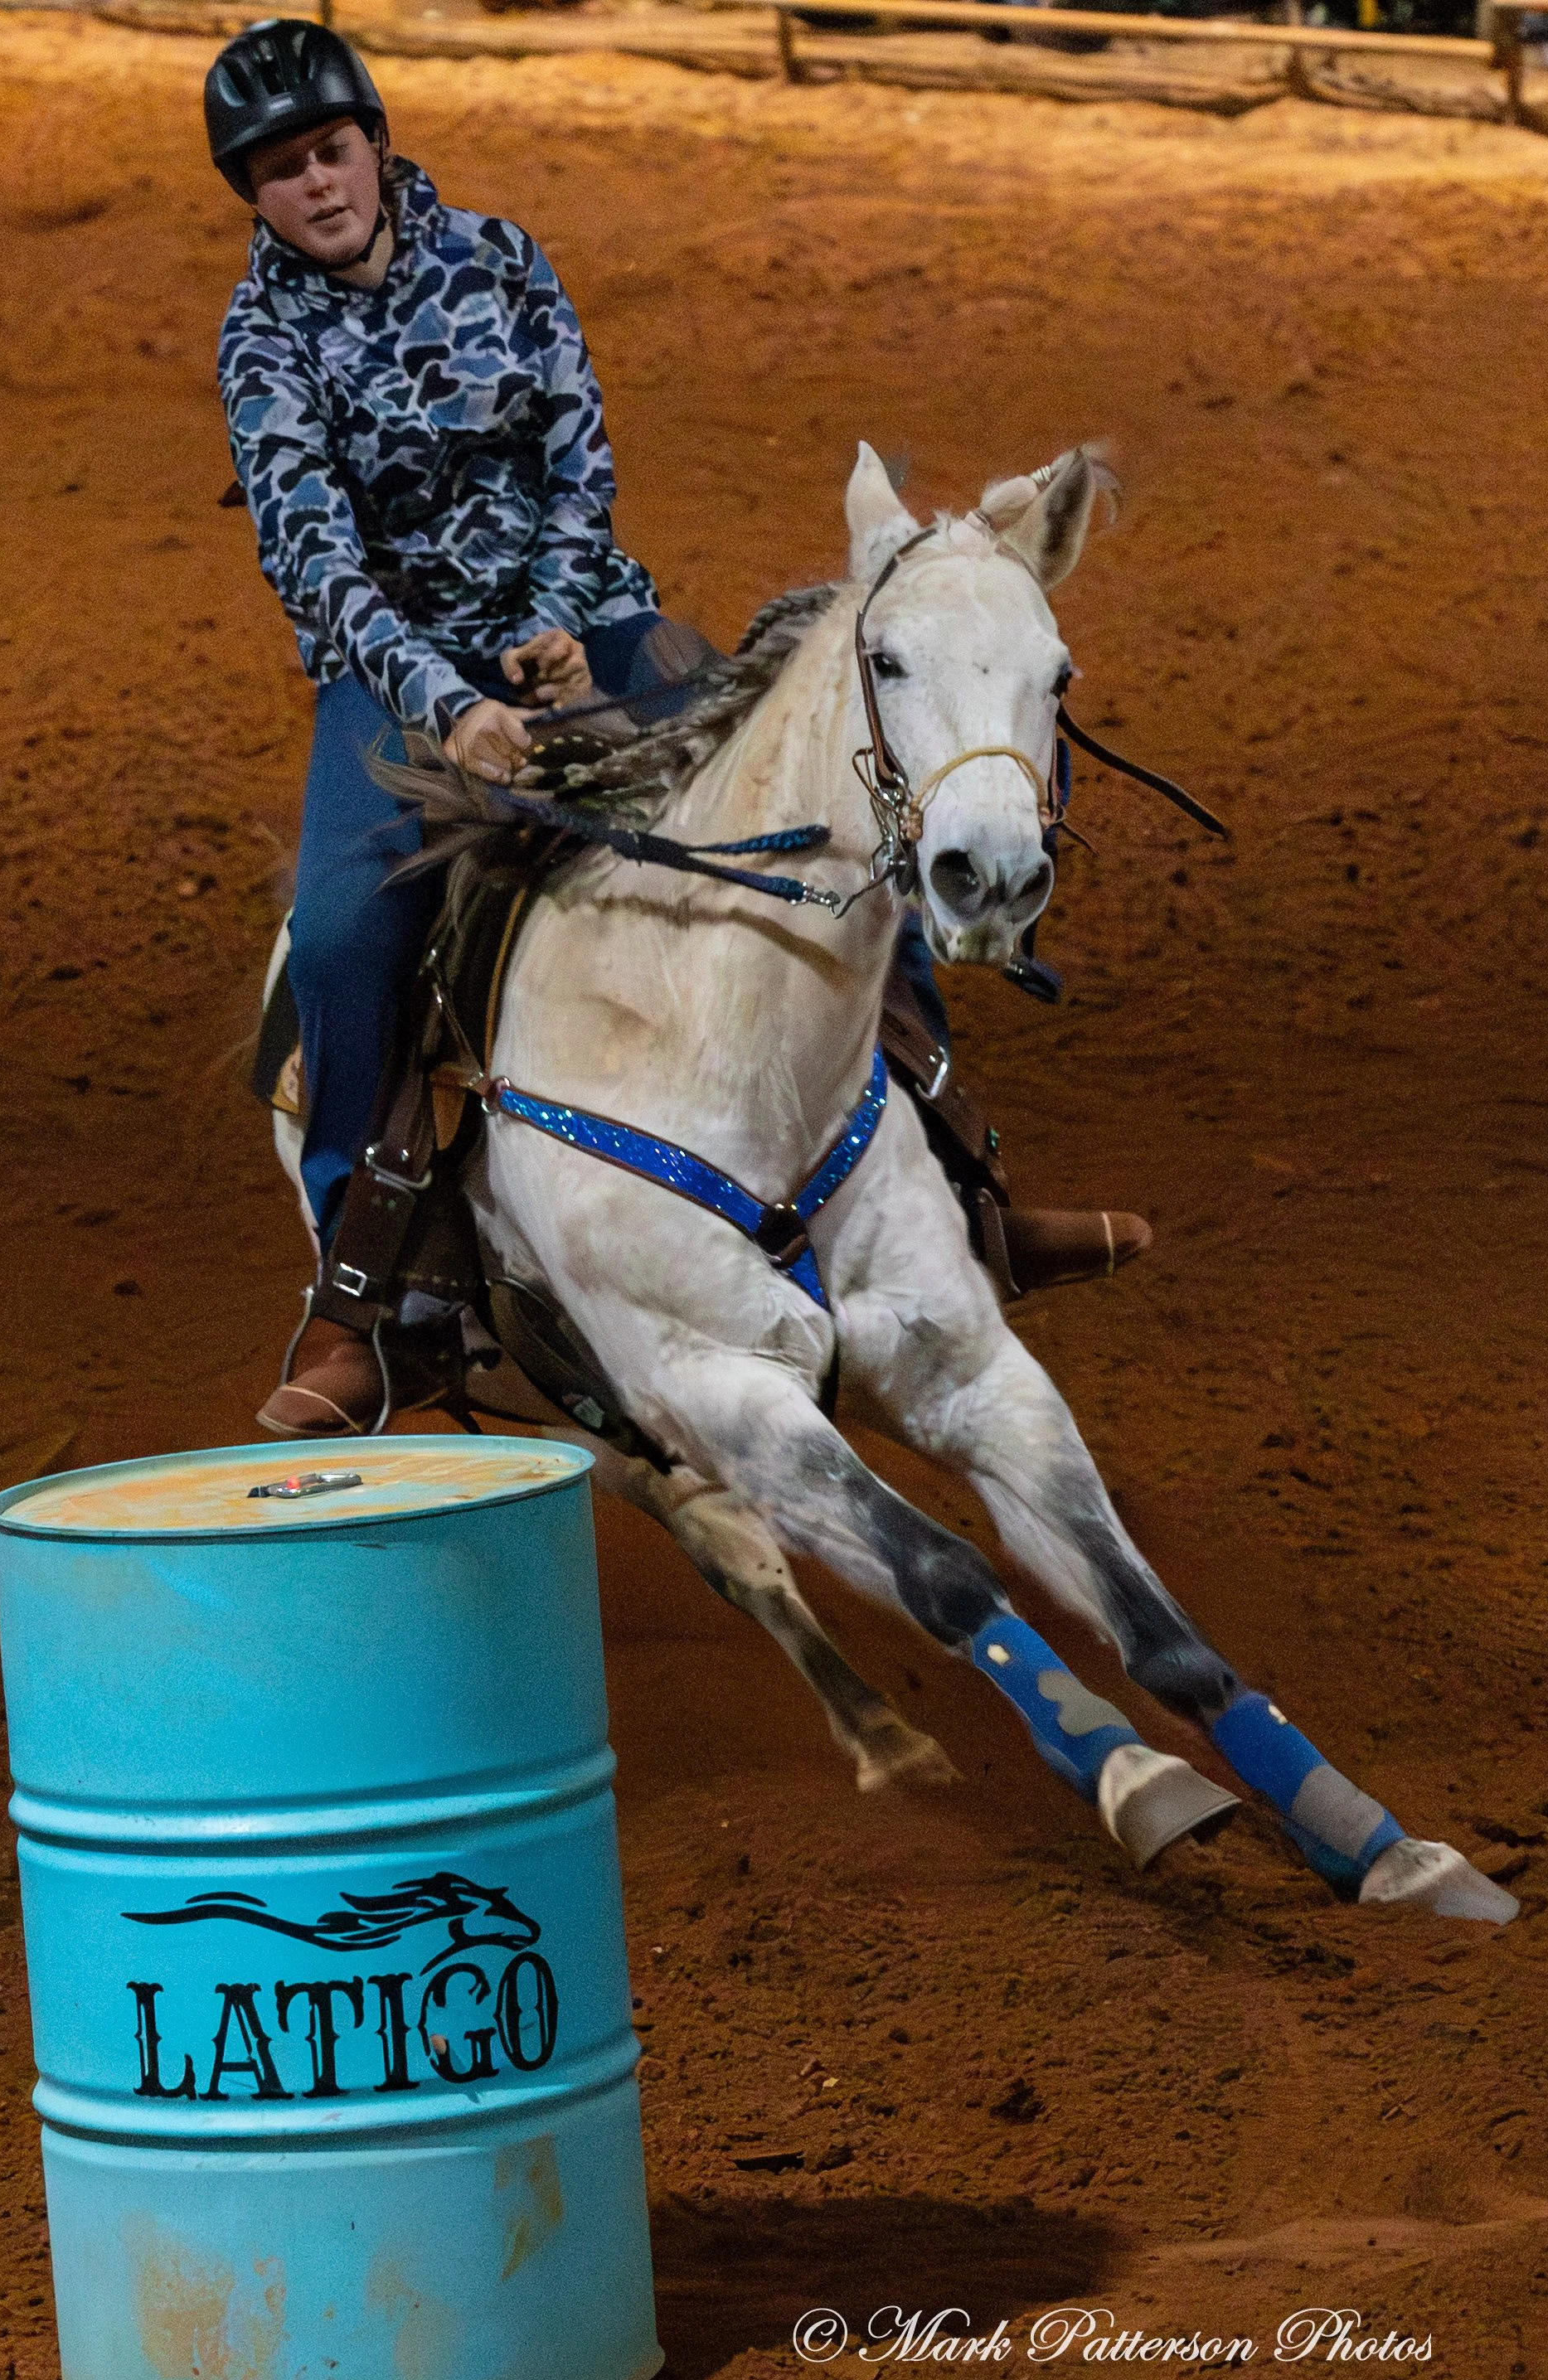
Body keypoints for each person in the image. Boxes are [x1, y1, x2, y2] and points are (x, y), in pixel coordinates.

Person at [206, 22, 1143, 1437]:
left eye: (332, 151)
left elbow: (579, 453)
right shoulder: (262, 339)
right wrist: (451, 703)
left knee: (832, 804)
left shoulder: (504, 261)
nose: (318, 186)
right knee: (343, 933)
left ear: (376, 142)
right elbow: (315, 559)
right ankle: (364, 1299)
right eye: (282, 173)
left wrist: (564, 614)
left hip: (589, 619)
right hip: (400, 678)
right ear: (257, 196)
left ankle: (964, 1186)